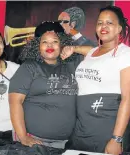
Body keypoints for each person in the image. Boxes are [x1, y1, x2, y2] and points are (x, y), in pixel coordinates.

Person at [61, 5, 130, 155]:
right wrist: (73, 48)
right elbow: (91, 52)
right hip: (82, 127)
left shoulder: (126, 54)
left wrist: (116, 139)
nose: (103, 26)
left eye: (109, 23)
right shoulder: (91, 52)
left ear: (119, 28)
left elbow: (127, 100)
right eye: (100, 22)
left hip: (107, 127)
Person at [8, 21, 81, 154]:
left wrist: (74, 49)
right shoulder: (29, 67)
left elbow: (97, 52)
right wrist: (23, 136)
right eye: (44, 42)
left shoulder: (71, 65)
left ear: (62, 44)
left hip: (65, 142)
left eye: (54, 41)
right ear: (37, 46)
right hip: (34, 140)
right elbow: (15, 102)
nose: (49, 45)